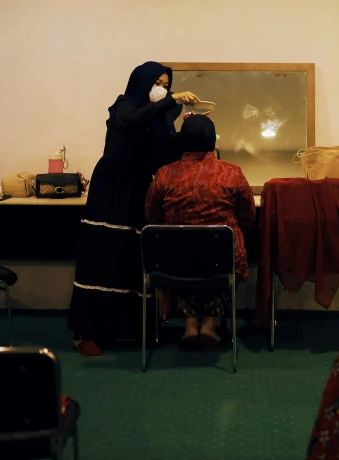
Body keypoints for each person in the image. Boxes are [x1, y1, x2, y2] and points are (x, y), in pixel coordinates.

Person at [69, 61, 200, 358]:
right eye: (158, 83)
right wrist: (173, 100)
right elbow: (130, 122)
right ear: (142, 82)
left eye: (167, 85)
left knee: (131, 258)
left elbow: (166, 154)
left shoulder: (162, 117)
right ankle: (85, 332)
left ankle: (126, 329)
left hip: (140, 189)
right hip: (112, 189)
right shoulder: (124, 104)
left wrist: (189, 129)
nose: (163, 89)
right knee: (102, 256)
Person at [144, 114, 256, 349]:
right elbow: (247, 215)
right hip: (222, 260)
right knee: (226, 254)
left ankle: (190, 325)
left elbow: (151, 215)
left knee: (182, 254)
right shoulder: (231, 173)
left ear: (182, 141)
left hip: (175, 262)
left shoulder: (164, 174)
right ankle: (210, 325)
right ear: (212, 142)